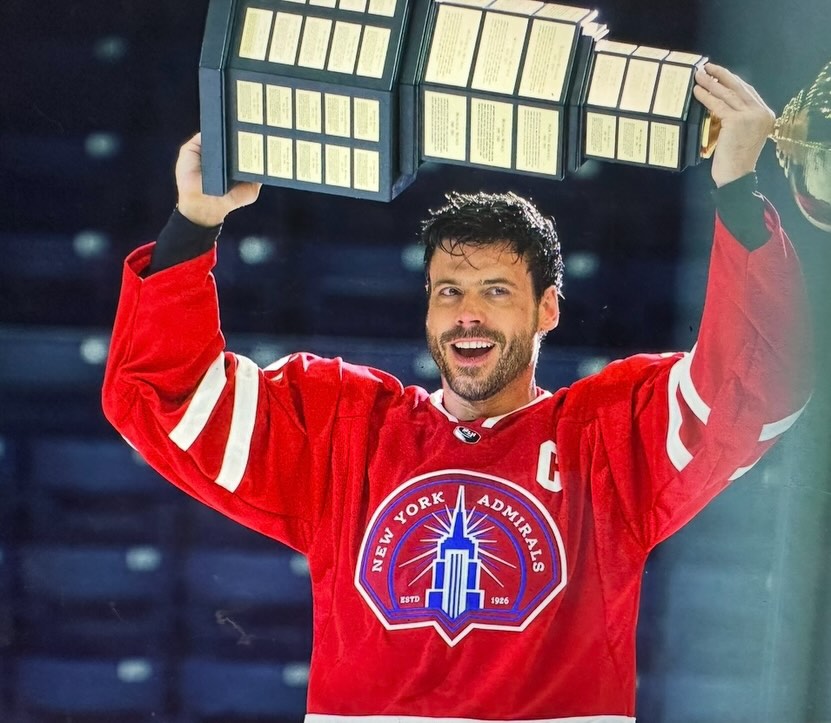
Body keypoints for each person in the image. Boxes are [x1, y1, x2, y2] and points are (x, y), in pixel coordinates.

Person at [103, 64, 812, 721]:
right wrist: (193, 223)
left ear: (547, 309)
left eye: (495, 291)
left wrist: (736, 194)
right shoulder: (347, 431)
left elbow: (756, 387)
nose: (466, 314)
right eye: (448, 292)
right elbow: (166, 399)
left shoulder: (607, 441)